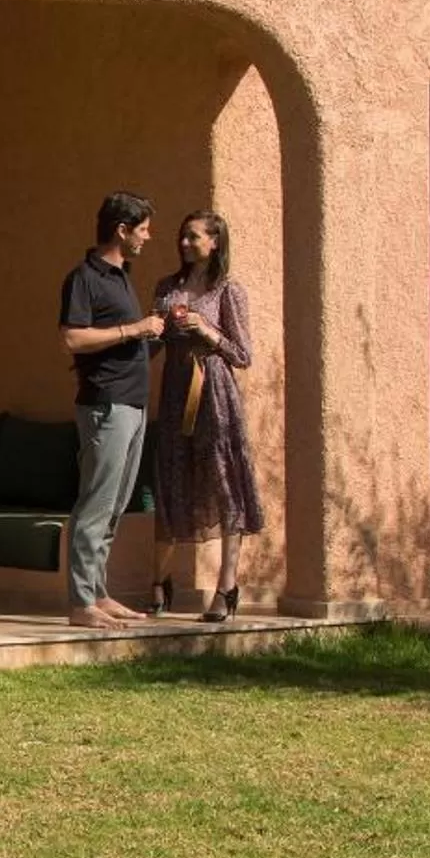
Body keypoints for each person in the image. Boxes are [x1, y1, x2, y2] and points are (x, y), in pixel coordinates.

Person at [58, 191, 166, 628]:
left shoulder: (122, 277)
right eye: (142, 229)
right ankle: (80, 603)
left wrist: (156, 333)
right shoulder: (83, 278)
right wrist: (133, 329)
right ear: (121, 230)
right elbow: (73, 339)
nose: (148, 237)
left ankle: (98, 594)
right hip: (105, 407)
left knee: (116, 506)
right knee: (96, 505)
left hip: (133, 405)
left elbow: (123, 343)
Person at [151, 210, 265, 623]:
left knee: (223, 482)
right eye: (182, 236)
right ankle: (160, 580)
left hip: (214, 393)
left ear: (214, 242)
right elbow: (155, 342)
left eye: (194, 237)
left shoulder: (227, 290)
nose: (185, 243)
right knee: (171, 477)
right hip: (175, 392)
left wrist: (207, 331)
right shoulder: (167, 287)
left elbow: (243, 355)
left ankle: (227, 586)